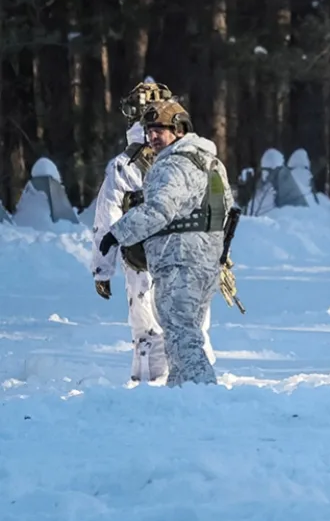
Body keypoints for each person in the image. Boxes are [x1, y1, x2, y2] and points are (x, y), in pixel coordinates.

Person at [97, 99, 233, 387]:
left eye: (160, 129)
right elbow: (226, 207)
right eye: (149, 130)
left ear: (180, 130)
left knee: (182, 333)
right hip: (206, 262)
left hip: (179, 261)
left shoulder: (173, 164)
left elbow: (160, 210)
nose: (152, 137)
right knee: (185, 332)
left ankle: (203, 392)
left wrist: (117, 233)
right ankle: (181, 392)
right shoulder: (211, 162)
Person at [90, 81, 171, 383]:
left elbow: (106, 220)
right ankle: (193, 386)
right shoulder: (188, 160)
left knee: (145, 326)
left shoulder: (123, 166)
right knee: (189, 323)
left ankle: (147, 385)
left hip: (140, 259)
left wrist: (102, 270)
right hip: (185, 257)